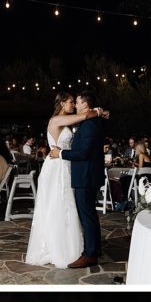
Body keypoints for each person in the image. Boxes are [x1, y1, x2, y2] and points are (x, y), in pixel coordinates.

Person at [27, 92, 110, 269]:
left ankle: (82, 248)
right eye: (71, 102)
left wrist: (98, 112)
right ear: (63, 103)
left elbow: (85, 120)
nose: (73, 104)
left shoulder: (74, 121)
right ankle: (58, 247)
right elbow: (86, 114)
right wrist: (99, 111)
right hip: (56, 166)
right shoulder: (56, 120)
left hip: (68, 165)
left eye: (75, 102)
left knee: (72, 207)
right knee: (57, 206)